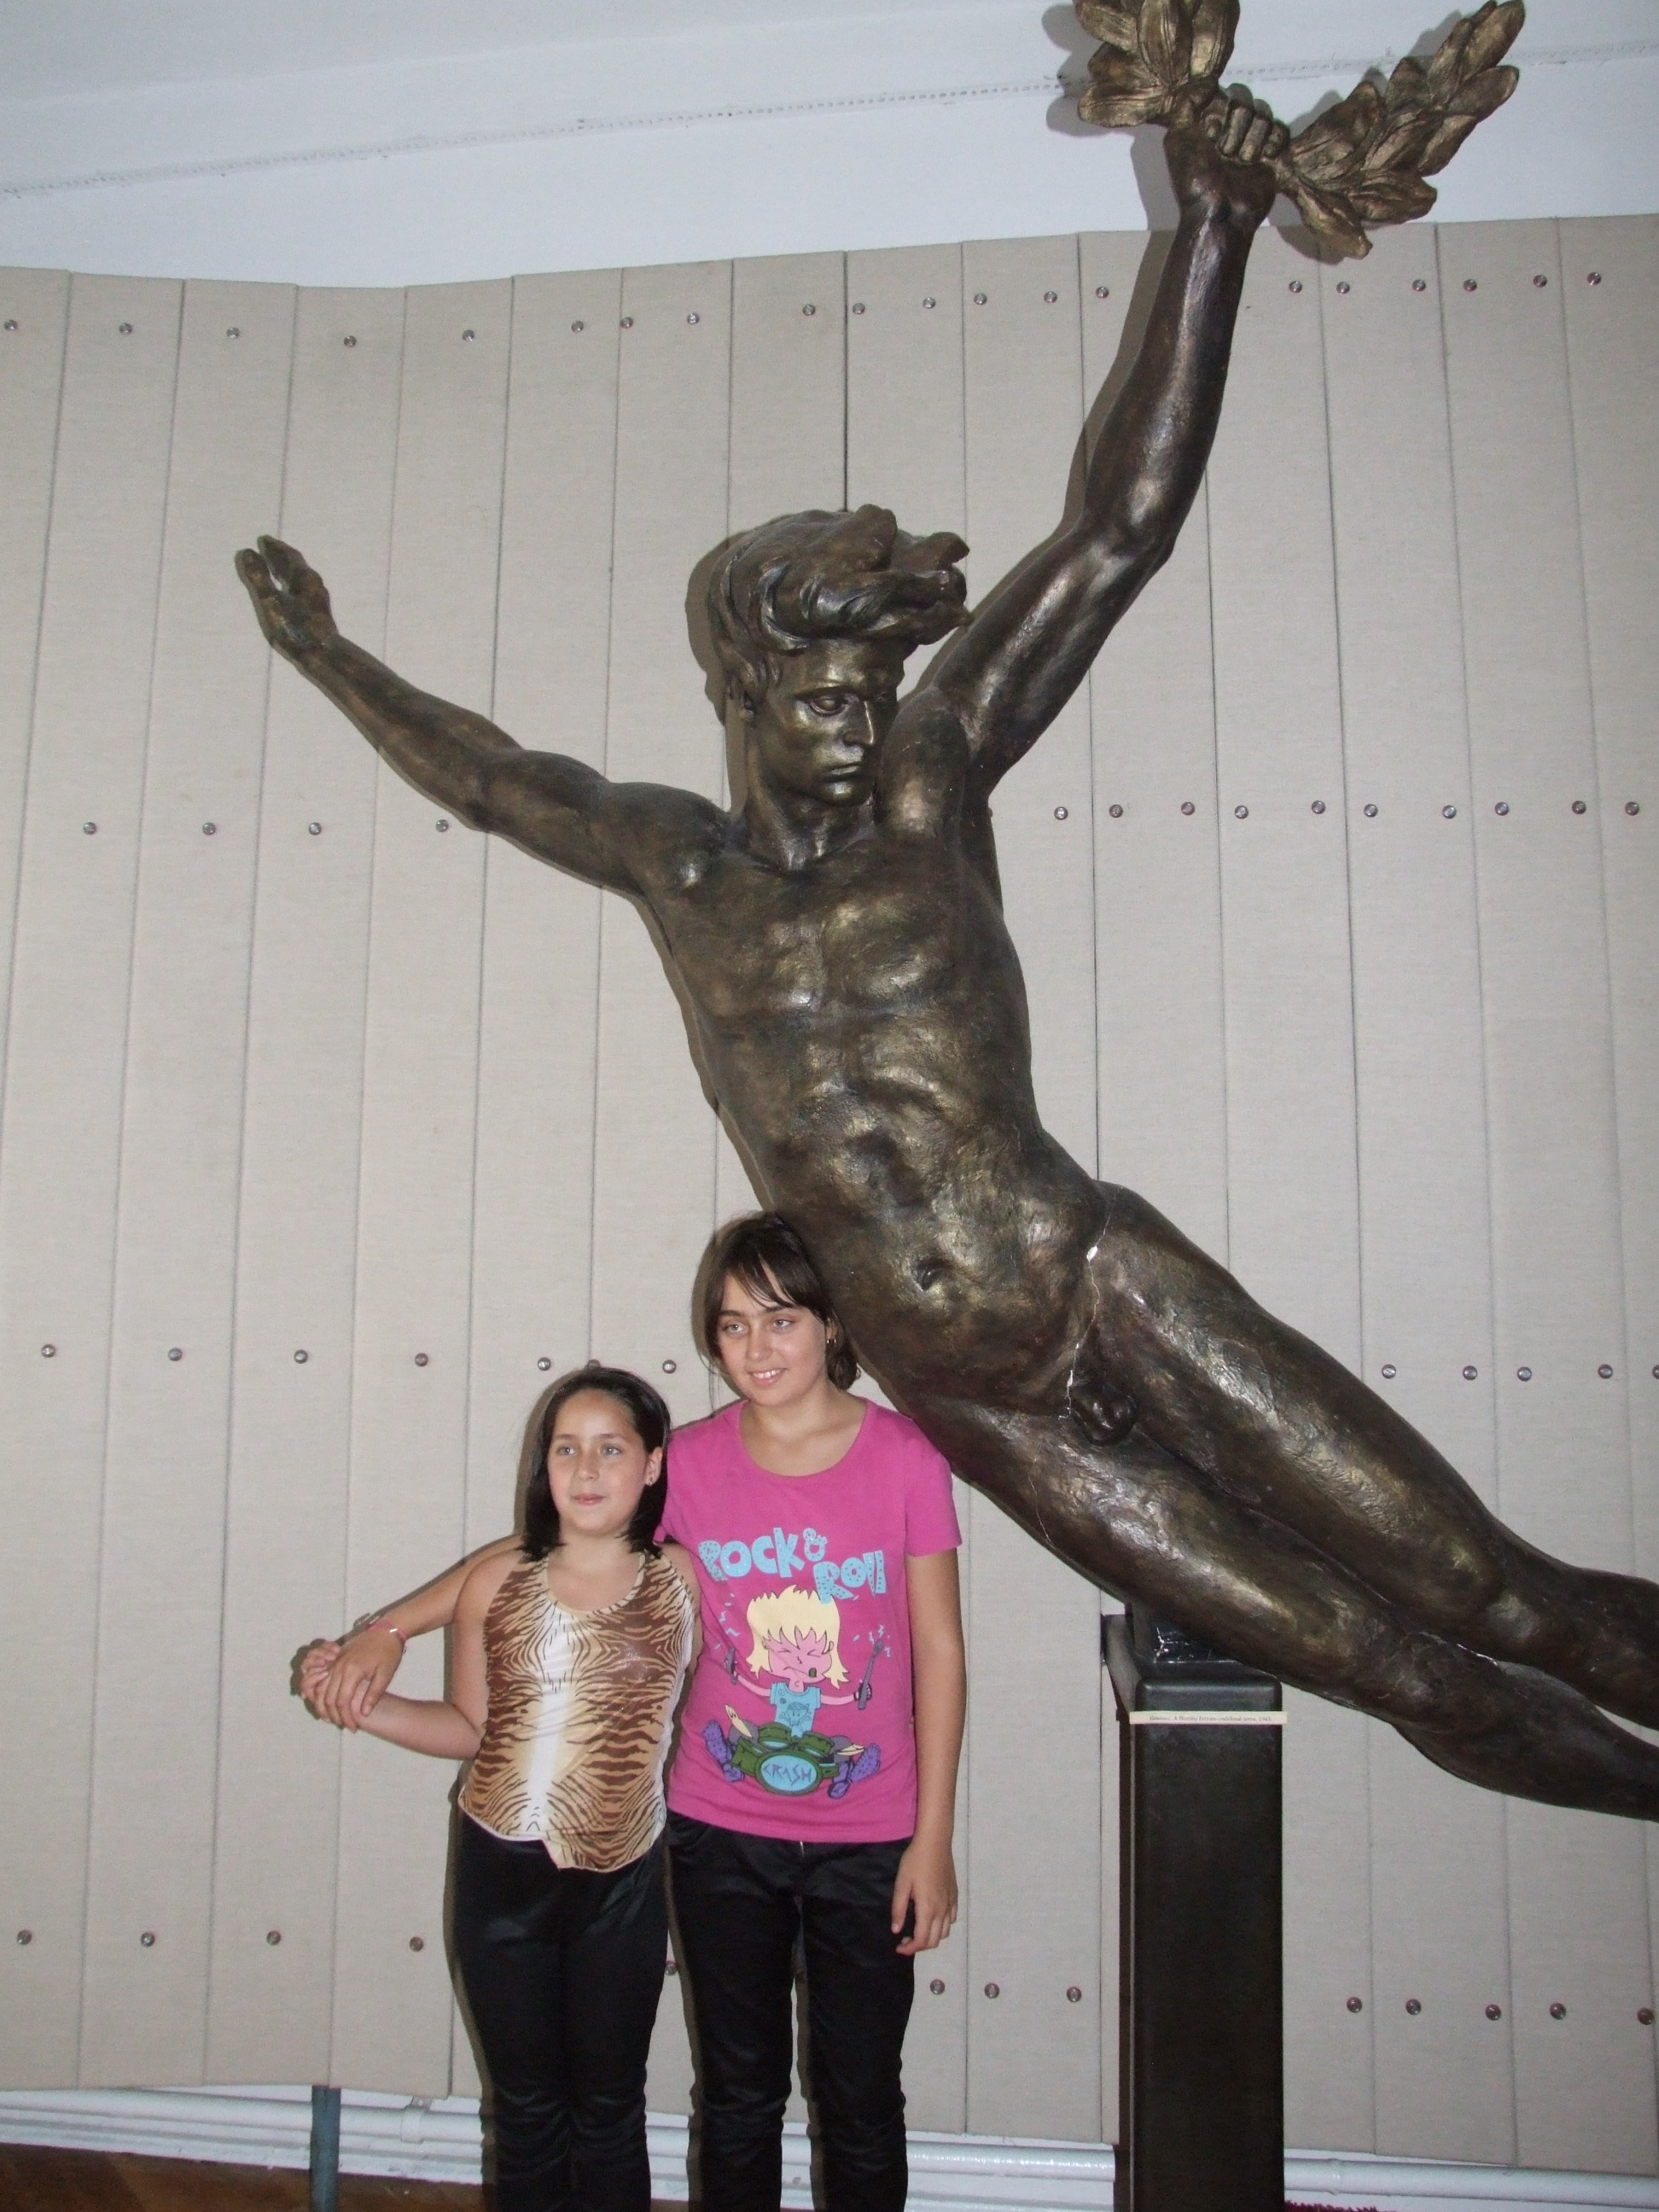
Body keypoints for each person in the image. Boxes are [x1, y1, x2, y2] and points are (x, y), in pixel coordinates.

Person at [244, 92, 1659, 1819]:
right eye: (821, 700)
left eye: (874, 694)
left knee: (1486, 1591)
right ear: (745, 696)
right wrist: (330, 657)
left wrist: (1211, 232)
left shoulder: (933, 790)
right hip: (982, 1405)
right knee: (1393, 1670)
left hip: (1099, 1286)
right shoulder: (677, 864)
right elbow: (484, 774)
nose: (857, 727)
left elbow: (1116, 533)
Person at [311, 1214, 967, 2212]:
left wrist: (933, 1838)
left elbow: (941, 1653)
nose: (757, 1348)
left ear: (832, 1324)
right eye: (733, 1325)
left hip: (870, 1834)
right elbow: (539, 1556)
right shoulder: (688, 1463)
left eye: (781, 1320)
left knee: (863, 2097)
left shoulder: (904, 1458)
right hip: (717, 1829)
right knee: (737, 2095)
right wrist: (389, 1628)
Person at [300, 1366, 697, 2212]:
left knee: (609, 2110)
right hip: (501, 1873)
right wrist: (359, 1700)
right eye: (566, 1449)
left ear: (653, 1464)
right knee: (525, 2112)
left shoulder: (683, 1581)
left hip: (623, 1879)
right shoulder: (499, 1578)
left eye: (611, 1449)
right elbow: (469, 1728)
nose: (586, 1470)